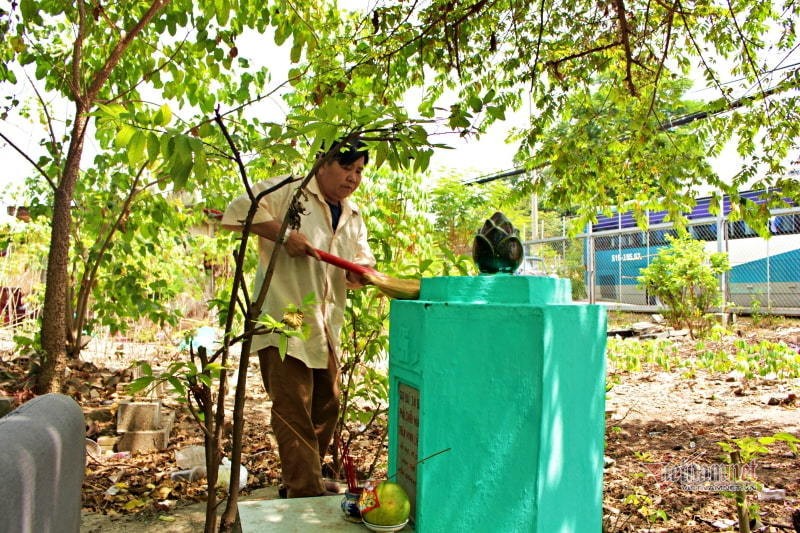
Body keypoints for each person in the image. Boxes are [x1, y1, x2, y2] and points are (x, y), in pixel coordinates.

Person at [221, 140, 375, 498]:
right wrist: (285, 235)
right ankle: (305, 492)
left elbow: (362, 260)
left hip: (325, 327)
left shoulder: (353, 216)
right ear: (322, 163)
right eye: (346, 167)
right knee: (293, 407)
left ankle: (300, 479)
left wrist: (361, 274)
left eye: (359, 171)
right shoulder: (291, 192)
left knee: (327, 405)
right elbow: (240, 209)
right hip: (285, 320)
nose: (353, 178)